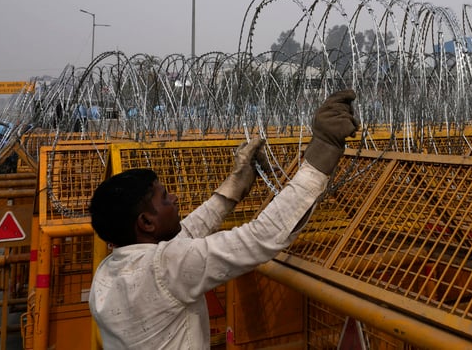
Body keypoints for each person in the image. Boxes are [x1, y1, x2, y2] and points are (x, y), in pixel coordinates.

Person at [88, 89, 359, 349]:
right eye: (164, 197)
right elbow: (260, 237)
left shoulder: (108, 273)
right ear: (146, 223)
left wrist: (234, 187)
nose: (174, 199)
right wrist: (324, 149)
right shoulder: (164, 268)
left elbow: (187, 233)